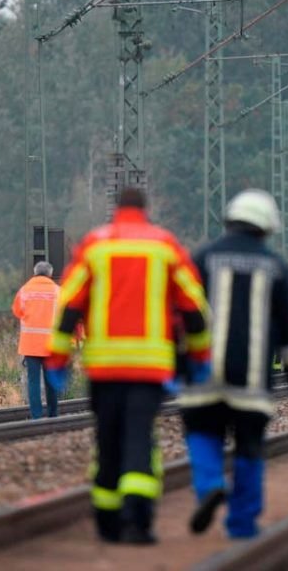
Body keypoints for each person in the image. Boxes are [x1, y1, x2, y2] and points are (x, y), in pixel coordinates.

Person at [44, 188, 210, 544]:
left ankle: (106, 521)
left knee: (107, 440)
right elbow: (194, 307)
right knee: (139, 437)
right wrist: (199, 357)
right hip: (149, 368)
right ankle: (137, 521)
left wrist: (57, 359)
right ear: (145, 210)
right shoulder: (165, 246)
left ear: (117, 209)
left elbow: (69, 305)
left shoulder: (94, 245)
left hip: (104, 367)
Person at [180, 189, 288, 540]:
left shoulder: (202, 258)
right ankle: (242, 523)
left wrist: (178, 366)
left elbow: (181, 314)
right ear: (267, 227)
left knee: (203, 433)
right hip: (252, 383)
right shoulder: (278, 268)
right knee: (249, 449)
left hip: (203, 376)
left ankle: (209, 485)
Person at [12, 261, 61, 419]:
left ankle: (36, 416)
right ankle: (53, 414)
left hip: (30, 344)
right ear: (50, 274)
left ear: (34, 272)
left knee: (33, 381)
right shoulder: (58, 291)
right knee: (51, 381)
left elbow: (17, 311)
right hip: (51, 345)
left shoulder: (24, 290)